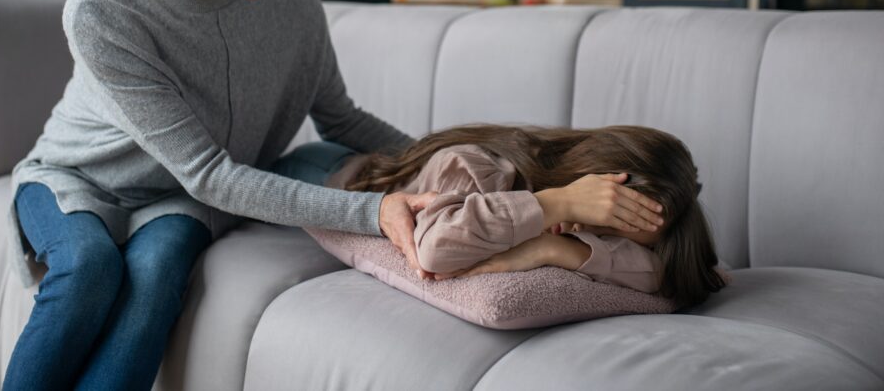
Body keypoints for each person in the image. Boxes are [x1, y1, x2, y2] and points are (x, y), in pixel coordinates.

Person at [3, 0, 436, 391]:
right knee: (88, 268)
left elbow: (339, 115)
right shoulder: (105, 8)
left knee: (156, 272)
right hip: (78, 179)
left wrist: (449, 155)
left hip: (179, 196)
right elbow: (211, 173)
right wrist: (372, 213)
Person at [282, 124, 727, 308]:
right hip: (327, 173)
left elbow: (668, 275)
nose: (582, 233)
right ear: (580, 179)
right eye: (592, 213)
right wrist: (556, 204)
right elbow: (435, 250)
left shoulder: (565, 239)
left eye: (611, 239)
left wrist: (557, 249)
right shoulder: (481, 167)